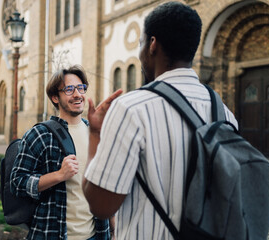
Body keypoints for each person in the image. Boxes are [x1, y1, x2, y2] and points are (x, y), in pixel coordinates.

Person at [82, 2, 238, 240]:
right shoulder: (226, 114)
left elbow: (101, 205)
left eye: (141, 43)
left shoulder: (131, 108)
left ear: (152, 44)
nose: (141, 50)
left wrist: (95, 134)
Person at [10, 65, 119, 240]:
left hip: (97, 234)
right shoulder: (39, 134)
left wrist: (114, 230)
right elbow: (17, 182)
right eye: (69, 89)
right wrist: (59, 175)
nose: (77, 94)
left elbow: (104, 186)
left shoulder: (95, 132)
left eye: (81, 88)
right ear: (55, 97)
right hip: (52, 234)